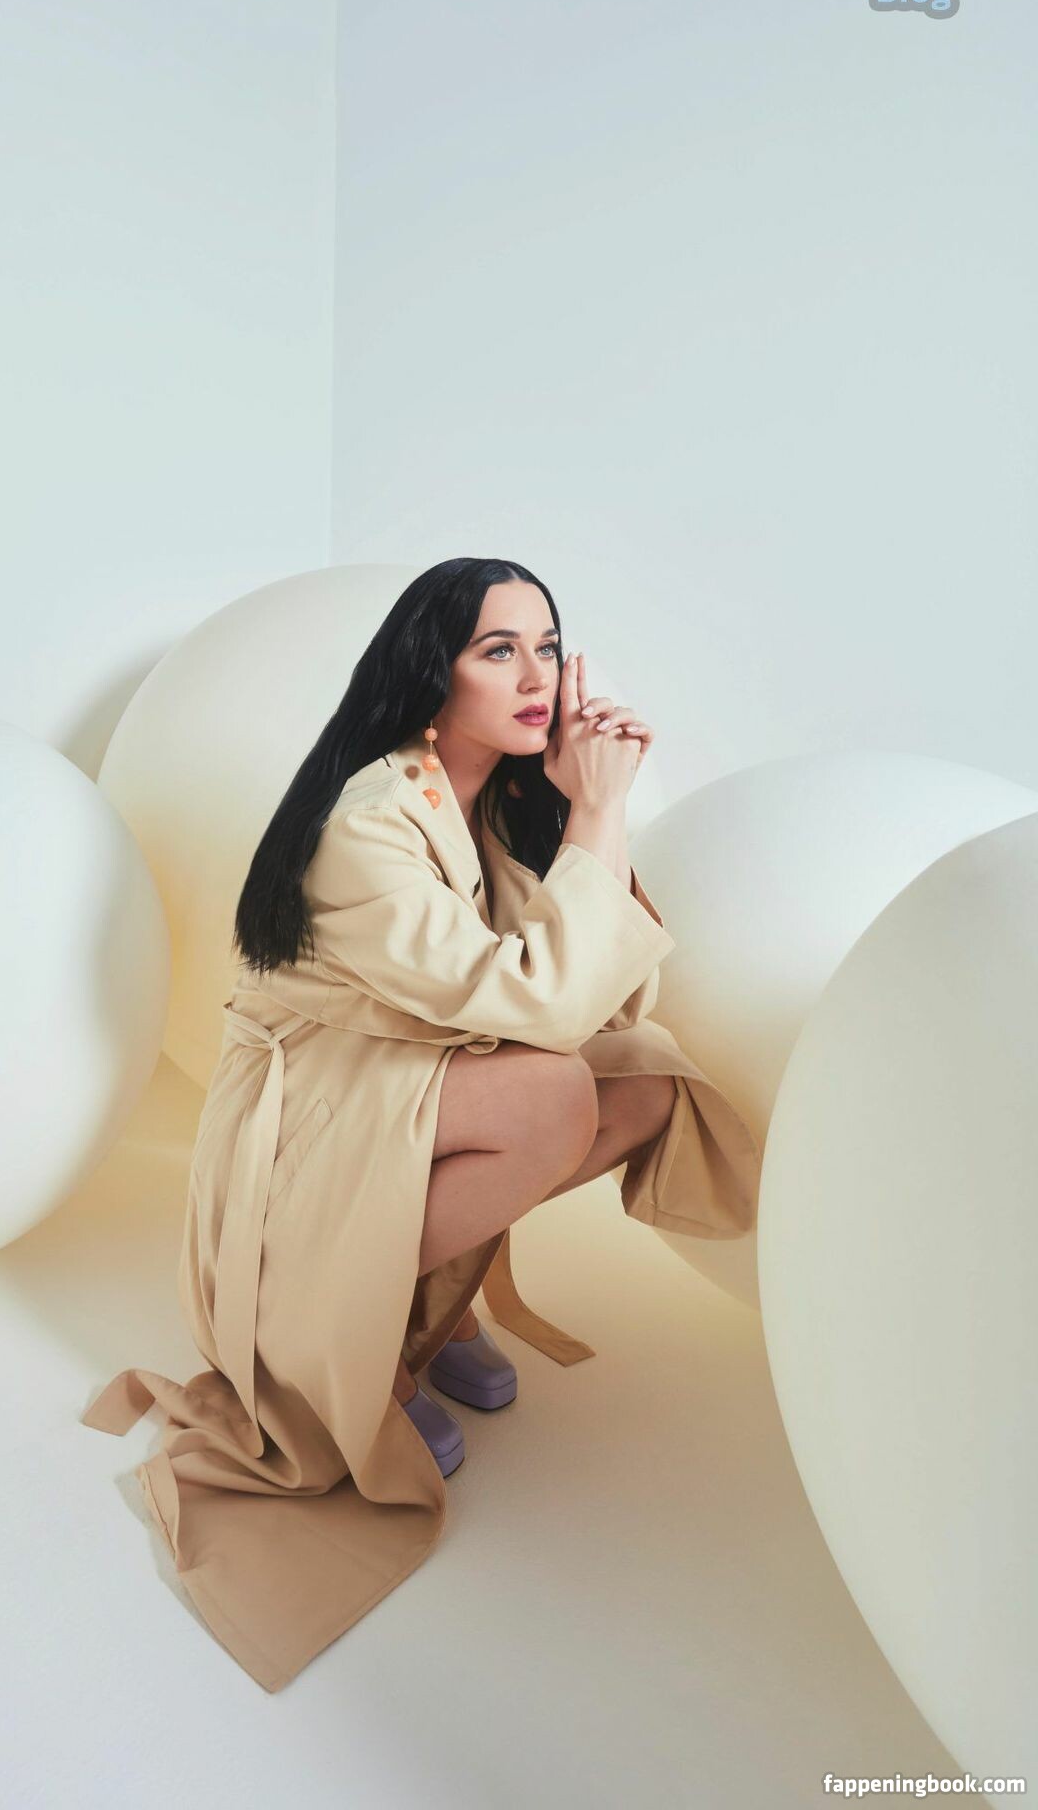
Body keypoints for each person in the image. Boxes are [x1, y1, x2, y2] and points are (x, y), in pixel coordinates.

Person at [82, 556, 761, 1693]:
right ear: (430, 670)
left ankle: (430, 1307)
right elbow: (547, 1006)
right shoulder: (369, 819)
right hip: (310, 1109)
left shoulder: (496, 798)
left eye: (548, 647)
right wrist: (599, 811)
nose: (536, 675)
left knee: (646, 1083)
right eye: (499, 650)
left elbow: (613, 1001)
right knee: (553, 1094)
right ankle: (368, 1335)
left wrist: (579, 811)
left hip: (411, 1072)